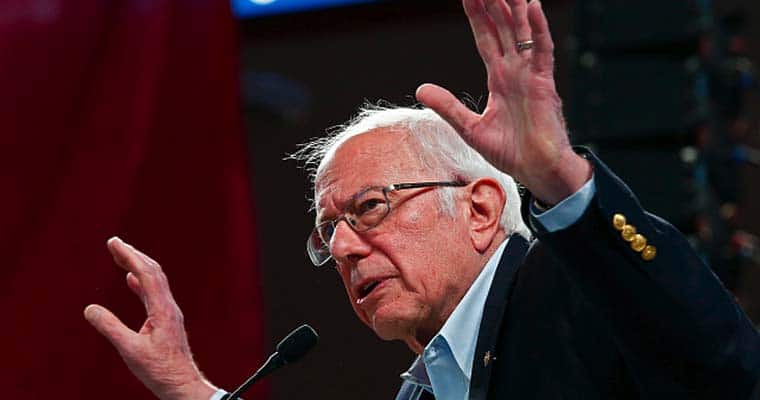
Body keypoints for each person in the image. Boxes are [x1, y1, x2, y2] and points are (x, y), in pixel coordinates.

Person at [84, 0, 760, 399]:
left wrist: (559, 177)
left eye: (371, 208)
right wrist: (192, 390)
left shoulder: (567, 290)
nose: (344, 247)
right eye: (330, 230)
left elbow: (715, 359)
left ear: (482, 209)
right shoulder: (424, 385)